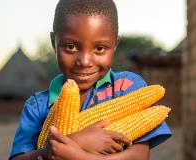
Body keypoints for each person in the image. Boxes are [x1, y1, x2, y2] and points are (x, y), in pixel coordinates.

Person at [9, 0, 172, 159]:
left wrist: (79, 154)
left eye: (99, 48)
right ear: (54, 43)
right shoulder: (37, 105)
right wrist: (47, 152)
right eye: (70, 47)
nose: (85, 61)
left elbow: (140, 154)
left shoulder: (127, 86)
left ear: (115, 44)